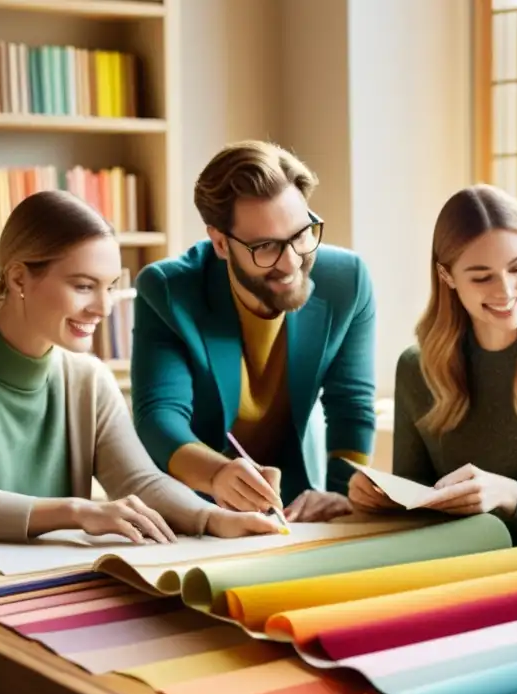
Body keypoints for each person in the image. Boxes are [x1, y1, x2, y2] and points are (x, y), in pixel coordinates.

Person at [0, 191, 279, 543]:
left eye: (110, 287)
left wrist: (213, 519)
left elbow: (139, 481)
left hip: (54, 582)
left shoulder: (89, 380)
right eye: (83, 286)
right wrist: (78, 512)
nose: (104, 307)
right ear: (19, 278)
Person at [347, 184, 517, 543]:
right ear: (447, 276)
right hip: (448, 560)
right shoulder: (416, 367)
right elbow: (418, 503)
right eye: (482, 276)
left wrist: (506, 494)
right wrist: (379, 498)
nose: (505, 290)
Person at [131, 140, 376, 521]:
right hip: (194, 507)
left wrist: (343, 496)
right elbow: (159, 418)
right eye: (265, 246)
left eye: (301, 234)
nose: (292, 261)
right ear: (221, 243)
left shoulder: (347, 280)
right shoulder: (168, 290)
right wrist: (216, 475)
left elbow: (351, 407)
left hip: (297, 505)